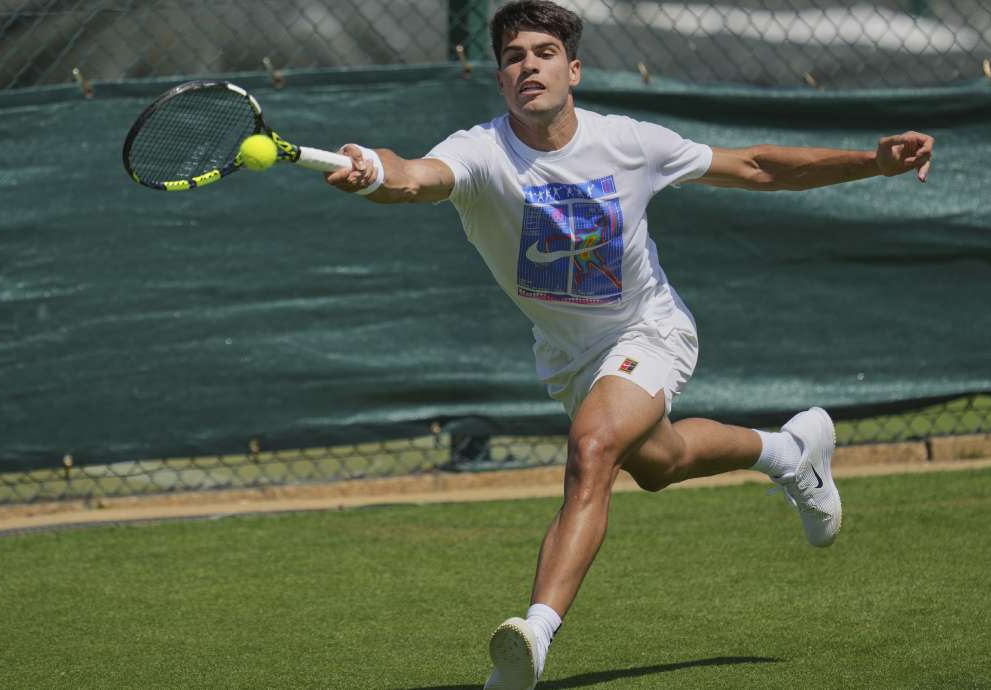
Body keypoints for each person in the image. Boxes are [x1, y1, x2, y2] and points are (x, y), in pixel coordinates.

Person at [324, 2, 934, 687]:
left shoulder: (630, 143)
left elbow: (759, 166)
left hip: (650, 329)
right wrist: (374, 171)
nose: (528, 65)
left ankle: (535, 635)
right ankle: (791, 453)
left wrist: (871, 163)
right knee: (660, 463)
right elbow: (413, 176)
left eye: (544, 53)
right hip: (569, 357)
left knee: (593, 449)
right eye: (515, 57)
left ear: (573, 70)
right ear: (501, 82)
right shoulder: (481, 152)